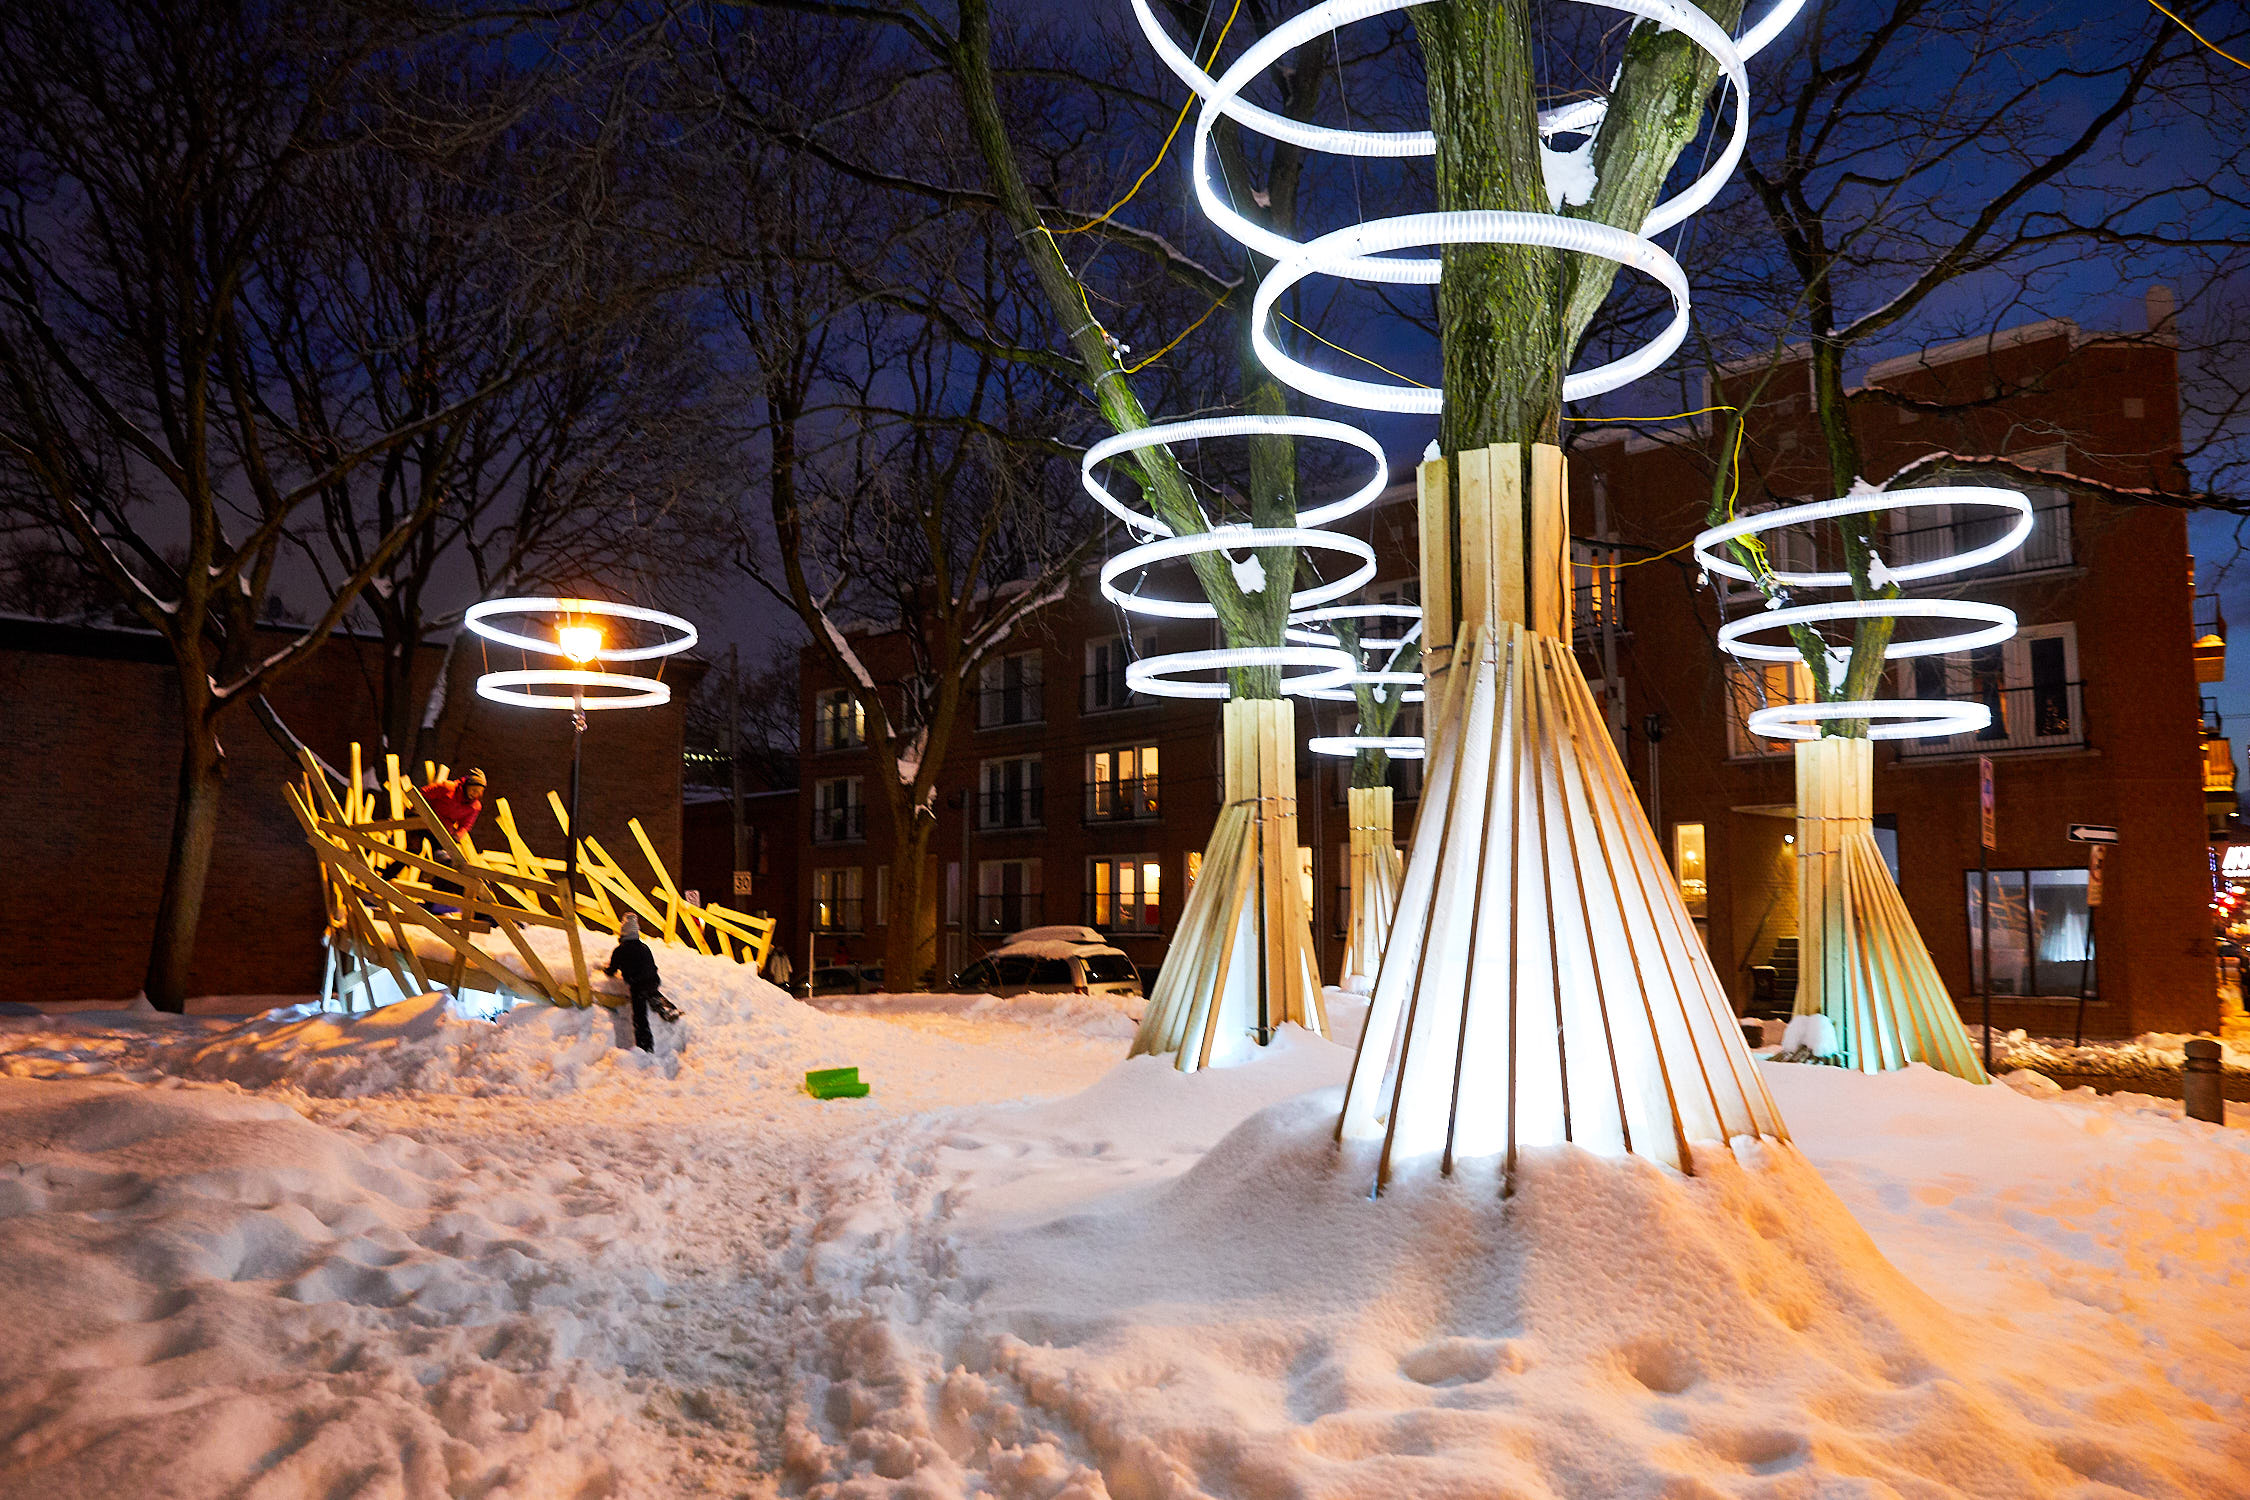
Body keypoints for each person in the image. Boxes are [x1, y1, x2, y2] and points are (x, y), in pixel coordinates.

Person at [604, 913, 681, 1051]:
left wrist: (605, 970)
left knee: (640, 1017)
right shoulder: (644, 947)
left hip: (637, 986)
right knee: (651, 992)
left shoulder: (620, 950)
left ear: (623, 933)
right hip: (653, 981)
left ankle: (646, 1047)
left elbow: (612, 970)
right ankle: (665, 1006)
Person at [420, 768, 486, 843]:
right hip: (423, 823)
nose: (475, 794)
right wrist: (416, 809)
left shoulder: (474, 807)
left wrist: (457, 835)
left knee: (441, 854)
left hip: (442, 832)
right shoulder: (448, 788)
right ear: (467, 785)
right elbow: (424, 793)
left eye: (479, 792)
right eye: (474, 790)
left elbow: (465, 825)